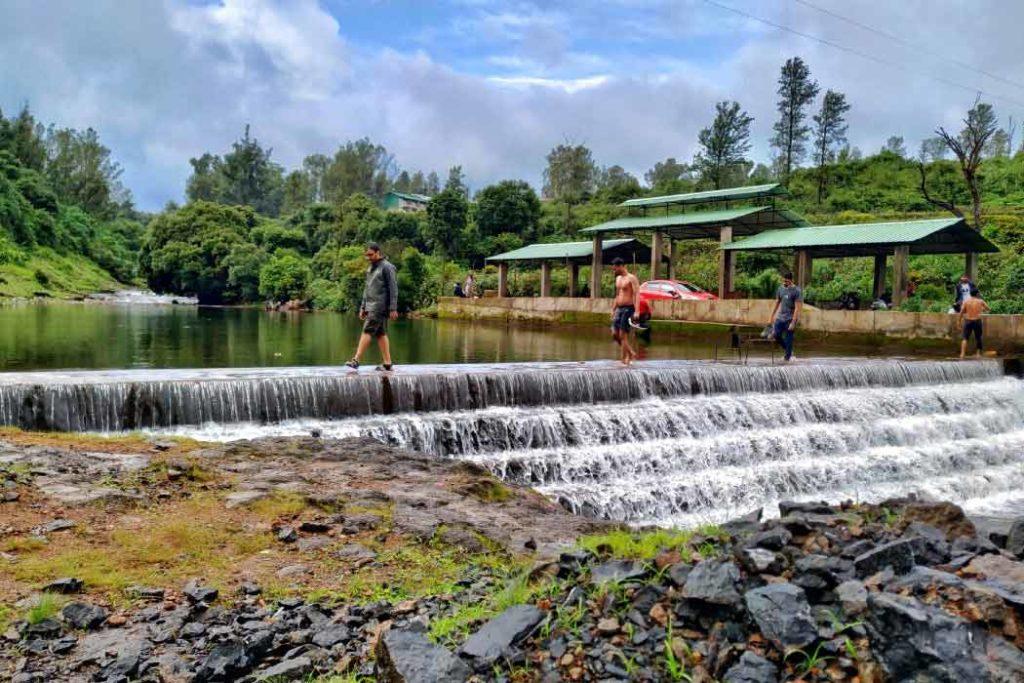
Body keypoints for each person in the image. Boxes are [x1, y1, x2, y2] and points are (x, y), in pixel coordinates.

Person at [345, 243, 398, 371]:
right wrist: (363, 307)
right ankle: (387, 363)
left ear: (378, 252)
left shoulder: (387, 267)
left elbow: (393, 288)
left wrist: (393, 308)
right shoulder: (370, 268)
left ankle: (356, 360)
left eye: (370, 254)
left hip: (380, 306)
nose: (368, 257)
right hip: (371, 306)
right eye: (366, 255)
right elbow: (367, 289)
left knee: (367, 330)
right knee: (380, 333)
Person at [609, 257, 639, 365]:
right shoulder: (618, 279)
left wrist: (637, 311)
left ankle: (625, 359)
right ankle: (630, 352)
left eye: (615, 269)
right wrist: (613, 309)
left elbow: (636, 294)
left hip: (629, 308)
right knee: (614, 334)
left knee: (623, 335)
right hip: (619, 309)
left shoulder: (631, 278)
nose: (614, 271)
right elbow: (617, 295)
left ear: (620, 266)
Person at [768, 270, 802, 362]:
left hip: (790, 318)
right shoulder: (780, 289)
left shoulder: (796, 290)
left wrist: (793, 322)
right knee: (776, 335)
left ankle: (787, 357)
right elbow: (777, 302)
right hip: (780, 317)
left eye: (787, 281)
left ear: (791, 280)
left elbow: (797, 308)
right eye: (784, 281)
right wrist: (771, 316)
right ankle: (789, 351)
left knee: (789, 337)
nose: (785, 283)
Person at [959, 291, 990, 358]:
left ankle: (962, 354)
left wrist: (959, 321)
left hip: (968, 320)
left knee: (965, 338)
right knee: (978, 337)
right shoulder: (980, 301)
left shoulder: (966, 301)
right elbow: (988, 309)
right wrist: (982, 309)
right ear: (977, 294)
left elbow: (961, 312)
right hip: (977, 320)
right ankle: (978, 354)